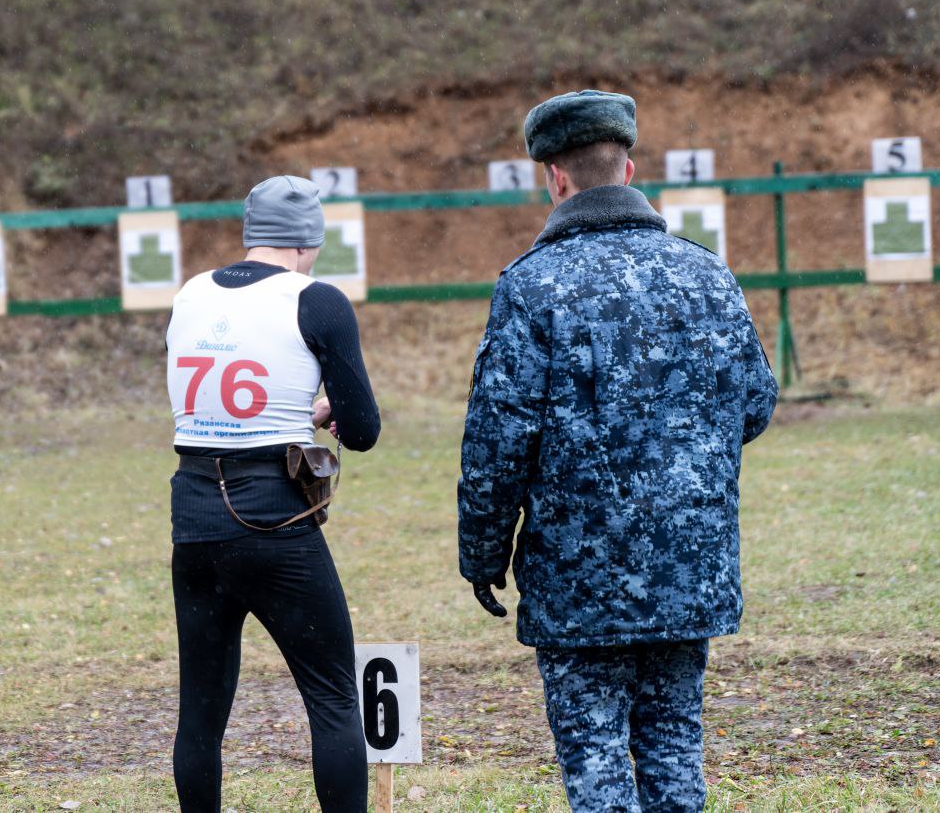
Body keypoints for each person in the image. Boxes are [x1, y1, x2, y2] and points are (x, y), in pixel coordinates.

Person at [457, 90, 778, 812]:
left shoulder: (530, 287)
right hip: (687, 565)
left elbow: (497, 445)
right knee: (672, 745)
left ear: (556, 178)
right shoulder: (707, 274)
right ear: (627, 168)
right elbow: (754, 404)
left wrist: (481, 555)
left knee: (595, 758)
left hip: (578, 576)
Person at [165, 175, 380, 812]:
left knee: (200, 712)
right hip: (275, 523)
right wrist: (322, 411)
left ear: (251, 232)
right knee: (334, 698)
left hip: (194, 518)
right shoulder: (317, 300)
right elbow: (362, 430)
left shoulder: (191, 293)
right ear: (310, 240)